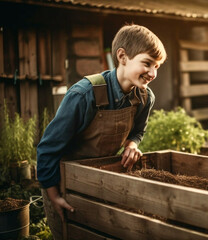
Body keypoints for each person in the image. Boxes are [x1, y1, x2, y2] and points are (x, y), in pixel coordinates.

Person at [36, 24, 166, 239]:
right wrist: (53, 195)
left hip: (102, 179)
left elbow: (138, 132)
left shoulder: (144, 97)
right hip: (63, 183)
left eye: (158, 66)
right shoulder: (84, 94)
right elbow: (47, 149)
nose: (153, 73)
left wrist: (132, 145)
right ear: (123, 56)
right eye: (147, 63)